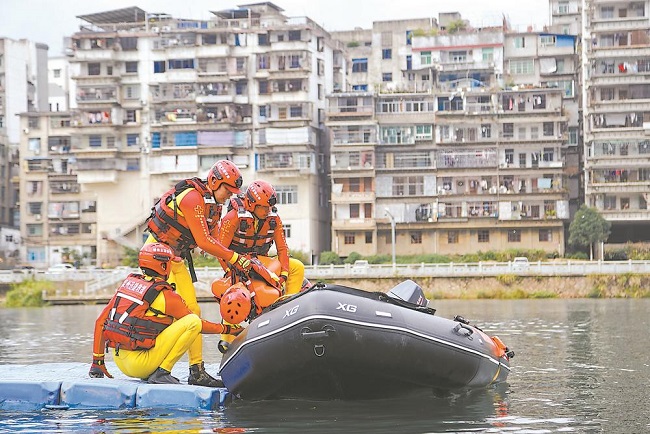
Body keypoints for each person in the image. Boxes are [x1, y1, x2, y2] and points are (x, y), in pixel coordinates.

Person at [143, 160, 252, 387]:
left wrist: (231, 266)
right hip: (156, 258)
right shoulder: (192, 198)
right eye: (227, 190)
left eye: (233, 193)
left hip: (175, 259)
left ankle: (196, 371)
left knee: (193, 312)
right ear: (214, 182)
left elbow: (214, 241)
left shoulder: (214, 205)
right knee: (177, 315)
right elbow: (203, 241)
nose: (229, 196)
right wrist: (234, 257)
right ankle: (161, 369)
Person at [89, 242, 242, 385]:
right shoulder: (166, 296)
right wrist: (229, 329)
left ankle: (153, 371)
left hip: (119, 360)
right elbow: (199, 325)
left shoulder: (128, 286)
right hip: (140, 365)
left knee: (171, 321)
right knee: (193, 321)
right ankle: (163, 372)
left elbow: (100, 321)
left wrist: (98, 362)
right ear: (163, 265)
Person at [218, 180, 305, 296]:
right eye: (264, 207)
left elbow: (282, 248)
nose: (268, 211)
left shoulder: (274, 220)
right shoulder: (232, 218)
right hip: (239, 264)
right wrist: (229, 271)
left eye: (270, 207)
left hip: (262, 263)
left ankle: (288, 300)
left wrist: (284, 275)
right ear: (251, 204)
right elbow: (220, 250)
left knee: (297, 266)